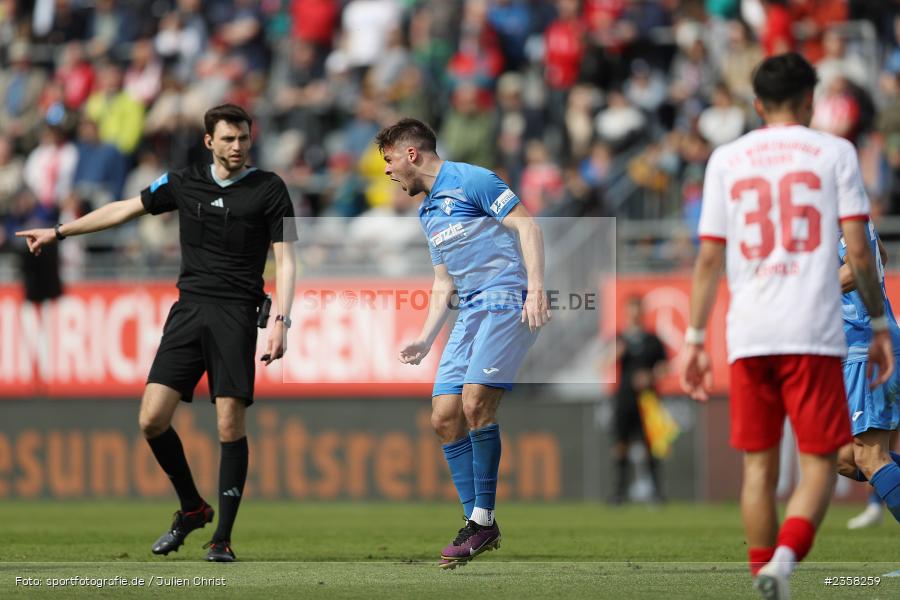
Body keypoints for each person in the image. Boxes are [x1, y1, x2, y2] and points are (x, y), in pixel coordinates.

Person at [16, 104, 297, 562]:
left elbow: (286, 259)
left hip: (236, 313)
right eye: (228, 138)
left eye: (243, 138)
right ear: (209, 141)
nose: (237, 146)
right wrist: (59, 231)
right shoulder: (182, 181)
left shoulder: (269, 188)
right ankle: (192, 507)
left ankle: (222, 537)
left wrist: (282, 320)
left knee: (229, 421)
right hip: (188, 311)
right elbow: (125, 209)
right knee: (151, 418)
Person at [679, 53, 894, 600]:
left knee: (762, 469)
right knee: (826, 463)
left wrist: (696, 338)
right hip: (813, 332)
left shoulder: (727, 158)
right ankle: (781, 565)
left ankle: (764, 576)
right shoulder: (834, 153)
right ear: (809, 101)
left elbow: (708, 259)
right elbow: (863, 258)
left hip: (750, 331)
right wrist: (880, 323)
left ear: (755, 104)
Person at [376, 118, 550, 569]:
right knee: (444, 416)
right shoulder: (427, 211)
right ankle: (478, 523)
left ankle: (482, 517)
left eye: (390, 160)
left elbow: (527, 227)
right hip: (469, 311)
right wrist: (424, 338)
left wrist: (535, 288)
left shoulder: (472, 180)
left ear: (411, 154)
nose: (388, 171)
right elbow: (441, 284)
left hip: (507, 297)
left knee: (475, 404)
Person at [833, 225, 900, 527]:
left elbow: (859, 268)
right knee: (843, 457)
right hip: (855, 347)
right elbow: (880, 256)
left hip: (866, 347)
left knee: (870, 456)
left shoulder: (842, 212)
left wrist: (805, 294)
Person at [609, 295, 667, 505]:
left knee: (650, 445)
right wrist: (614, 354)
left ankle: (657, 492)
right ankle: (619, 493)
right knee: (620, 444)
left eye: (637, 310)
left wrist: (650, 376)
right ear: (626, 313)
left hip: (647, 400)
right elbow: (602, 363)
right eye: (630, 311)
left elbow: (664, 366)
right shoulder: (619, 339)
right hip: (624, 399)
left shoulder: (653, 340)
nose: (634, 315)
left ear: (642, 313)